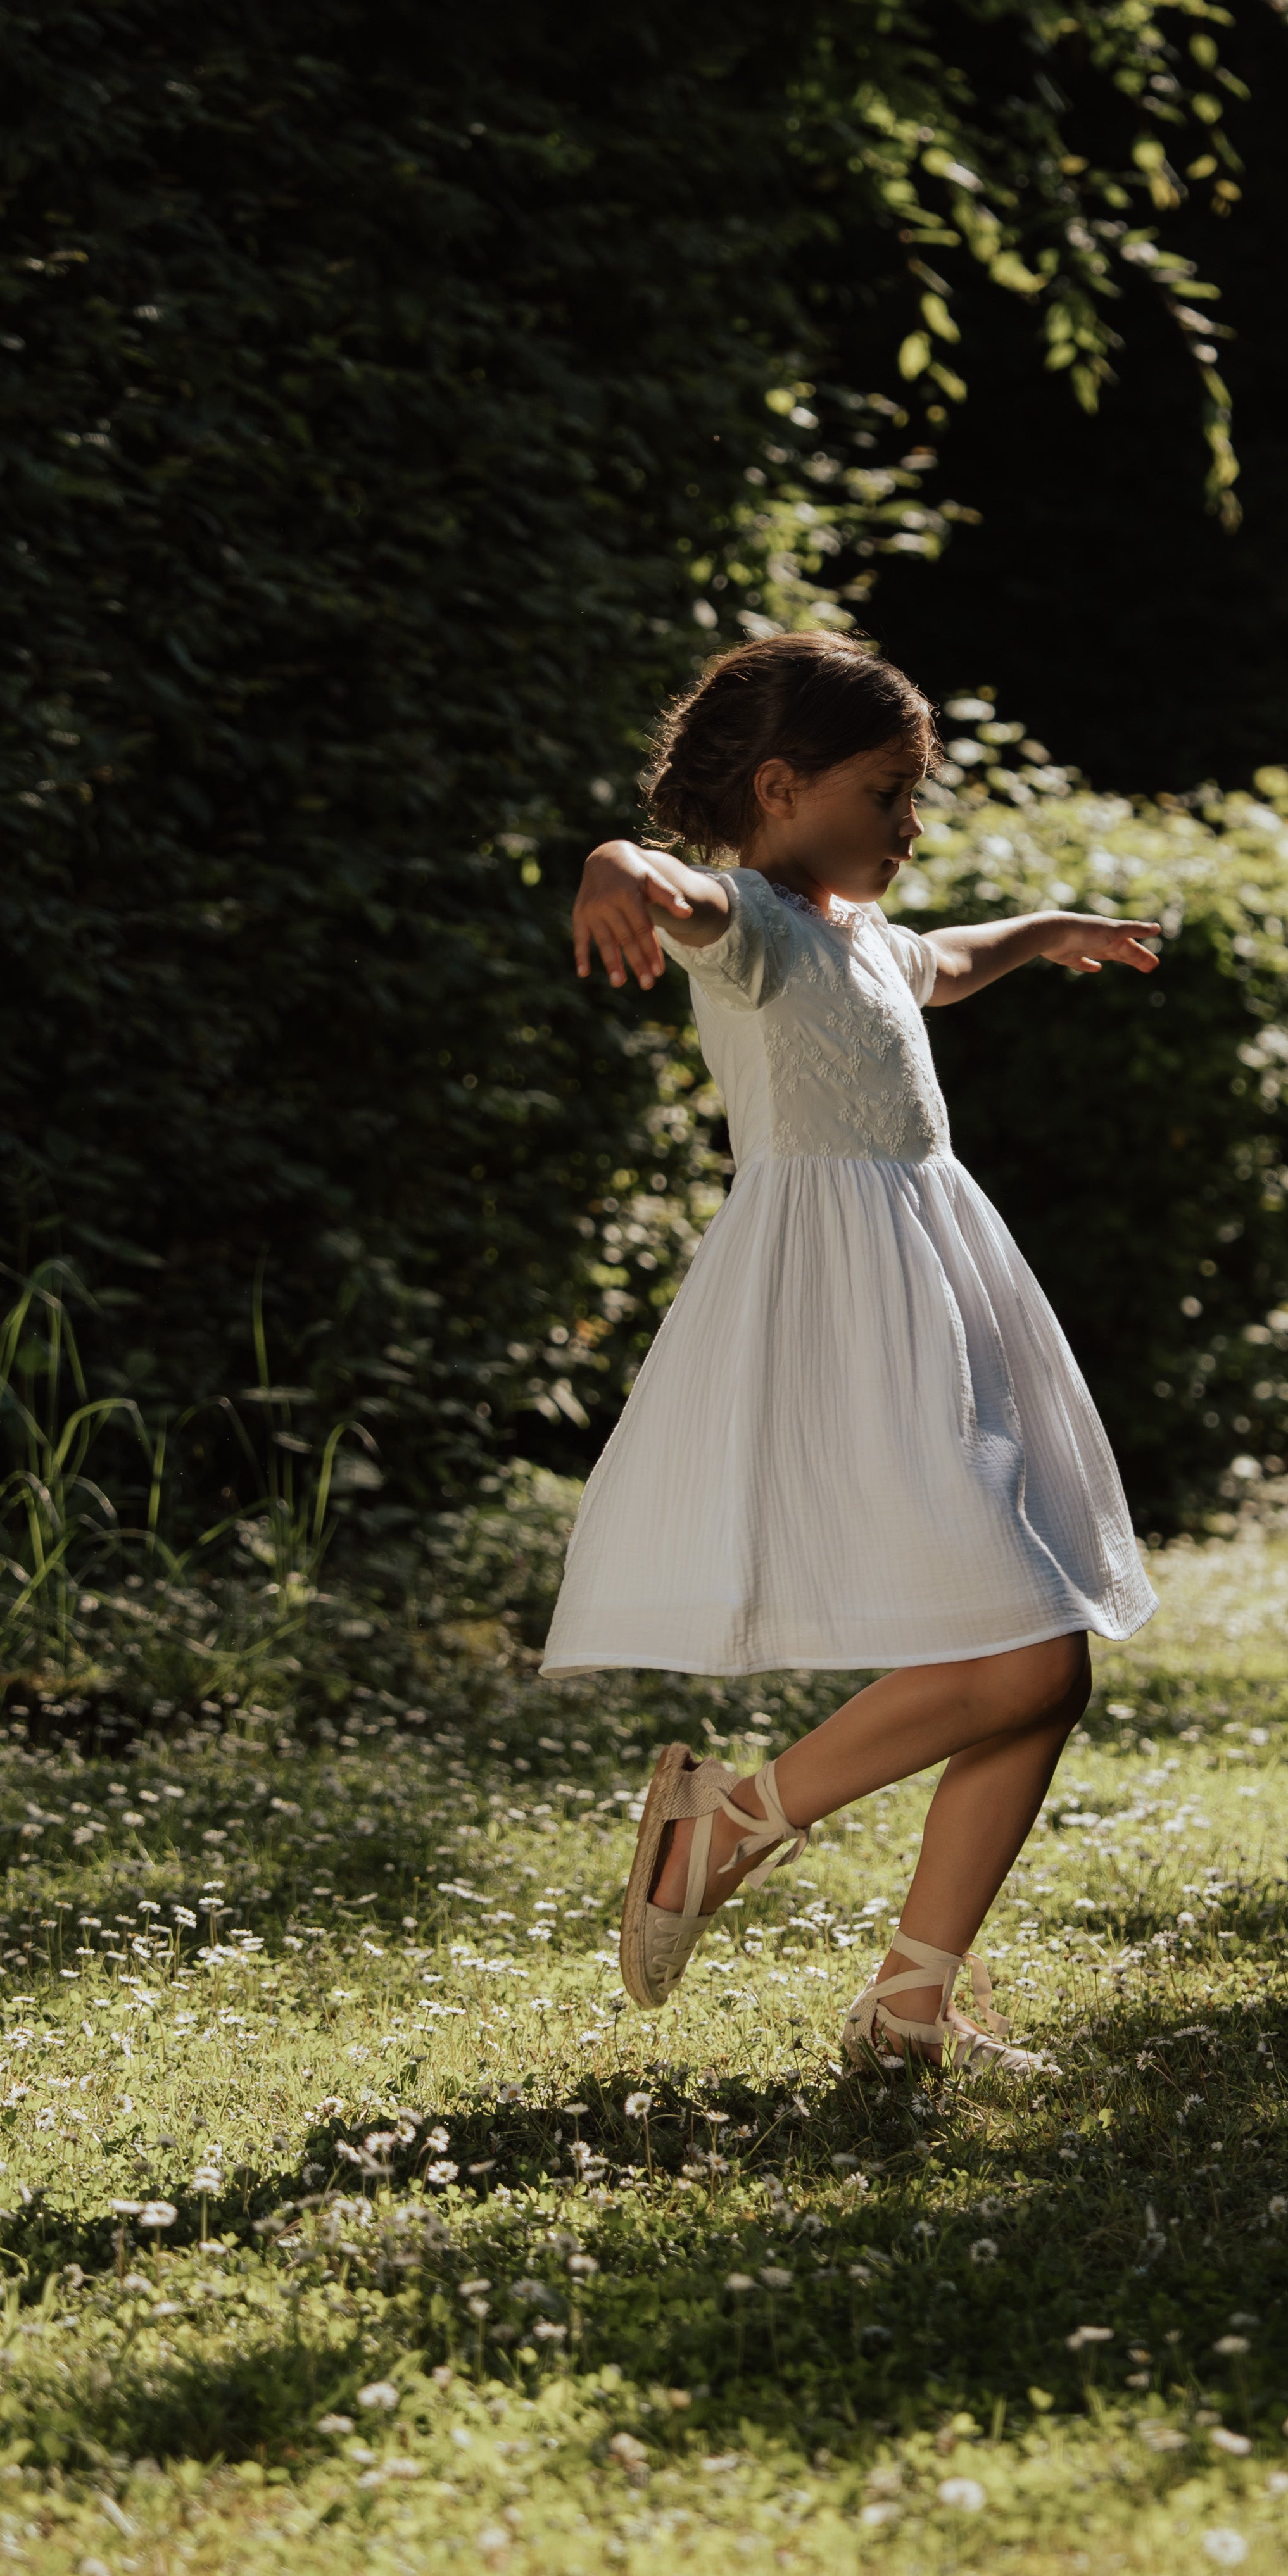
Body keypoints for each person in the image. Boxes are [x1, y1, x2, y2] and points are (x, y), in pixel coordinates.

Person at [545, 632, 1161, 2072]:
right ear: (779, 786)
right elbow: (669, 886)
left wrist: (1043, 929)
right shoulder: (752, 925)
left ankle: (907, 2008)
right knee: (1023, 1655)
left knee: (1043, 1664)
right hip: (841, 1316)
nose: (911, 818)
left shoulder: (866, 935)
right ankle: (726, 1825)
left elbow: (941, 959)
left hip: (937, 1305)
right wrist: (607, 866)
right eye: (889, 788)